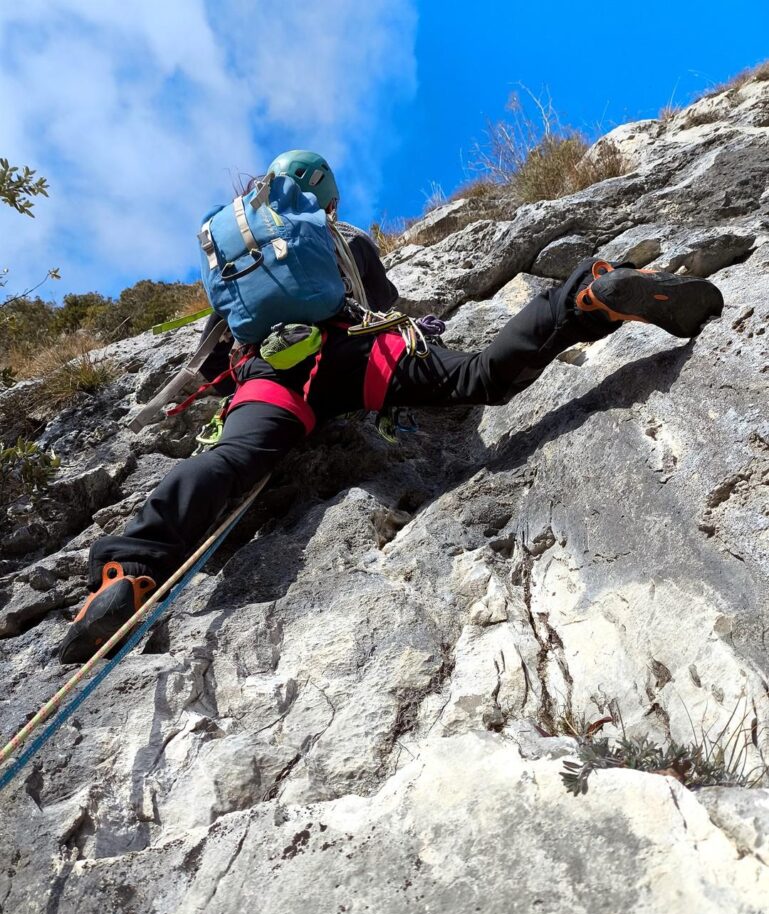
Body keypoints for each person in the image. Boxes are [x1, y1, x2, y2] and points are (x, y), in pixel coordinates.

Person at [59, 150, 724, 664]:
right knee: (475, 379)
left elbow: (216, 351)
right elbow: (383, 307)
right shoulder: (344, 240)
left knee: (235, 458)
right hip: (357, 354)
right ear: (324, 199)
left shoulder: (239, 264)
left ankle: (130, 570)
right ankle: (585, 296)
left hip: (273, 375)